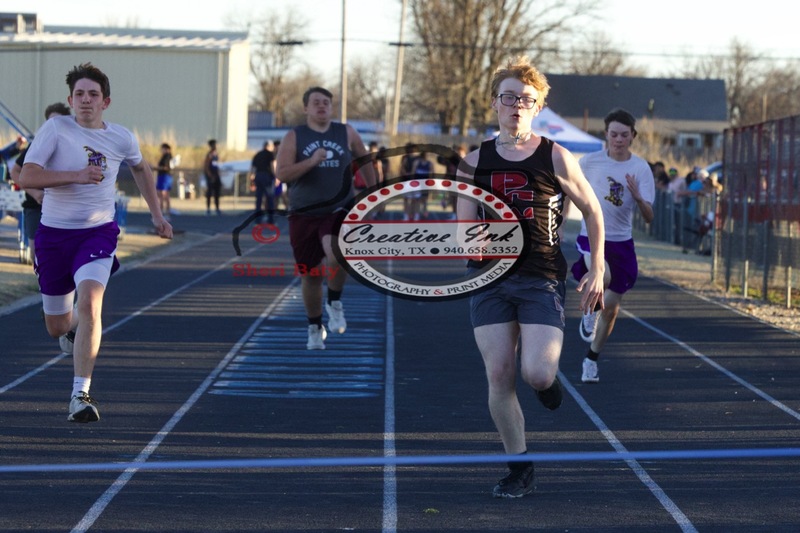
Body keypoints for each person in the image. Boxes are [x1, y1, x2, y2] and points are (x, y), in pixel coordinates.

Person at [456, 56, 606, 498]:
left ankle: (547, 383)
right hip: (489, 279)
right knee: (499, 373)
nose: (516, 106)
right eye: (509, 98)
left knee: (537, 374)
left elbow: (594, 211)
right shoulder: (472, 162)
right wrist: (473, 243)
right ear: (495, 104)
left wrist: (596, 266)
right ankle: (519, 467)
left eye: (526, 100)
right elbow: (463, 227)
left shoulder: (555, 155)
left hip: (540, 276)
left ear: (537, 108)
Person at [18, 62, 173, 423]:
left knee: (90, 303)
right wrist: (76, 175)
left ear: (106, 101)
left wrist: (157, 215)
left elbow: (141, 168)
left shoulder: (120, 137)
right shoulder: (56, 129)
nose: (85, 100)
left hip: (97, 232)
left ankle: (80, 394)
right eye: (79, 95)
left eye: (93, 95)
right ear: (70, 100)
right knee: (57, 325)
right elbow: (28, 175)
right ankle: (70, 330)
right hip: (54, 235)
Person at [275, 86, 375, 350]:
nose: (322, 107)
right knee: (310, 275)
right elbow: (282, 174)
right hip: (304, 212)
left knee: (337, 252)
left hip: (339, 207)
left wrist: (375, 192)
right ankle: (314, 326)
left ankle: (335, 301)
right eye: (316, 103)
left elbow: (366, 160)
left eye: (327, 103)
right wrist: (310, 162)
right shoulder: (294, 136)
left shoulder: (346, 132)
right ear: (306, 108)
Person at [570, 108, 655, 384]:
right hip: (592, 238)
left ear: (633, 137)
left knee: (613, 309)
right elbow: (570, 193)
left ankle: (591, 359)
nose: (618, 139)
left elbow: (649, 217)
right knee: (601, 276)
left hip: (622, 243)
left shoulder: (640, 168)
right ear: (605, 134)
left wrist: (638, 197)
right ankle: (589, 314)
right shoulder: (588, 163)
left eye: (624, 135)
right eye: (614, 134)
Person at [10, 103, 73, 263]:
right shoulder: (37, 145)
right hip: (36, 206)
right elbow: (15, 172)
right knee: (36, 253)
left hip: (63, 207)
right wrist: (35, 193)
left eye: (58, 122)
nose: (53, 126)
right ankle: (45, 284)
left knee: (61, 252)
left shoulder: (73, 147)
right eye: (49, 122)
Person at [249, 140, 277, 223]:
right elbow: (273, 166)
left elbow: (253, 168)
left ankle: (258, 219)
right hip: (267, 177)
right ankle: (270, 219)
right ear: (269, 146)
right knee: (270, 198)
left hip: (258, 176)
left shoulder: (257, 154)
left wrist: (252, 180)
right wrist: (275, 176)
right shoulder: (270, 154)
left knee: (259, 199)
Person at [155, 142, 174, 218]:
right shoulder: (164, 157)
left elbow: (166, 167)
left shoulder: (168, 157)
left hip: (165, 176)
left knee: (164, 194)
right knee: (160, 194)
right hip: (161, 176)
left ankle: (165, 212)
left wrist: (156, 168)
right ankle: (162, 211)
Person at [204, 139, 222, 215]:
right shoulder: (209, 155)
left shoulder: (216, 154)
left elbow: (217, 164)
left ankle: (217, 208)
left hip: (216, 174)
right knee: (210, 192)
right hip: (211, 175)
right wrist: (210, 175)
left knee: (217, 192)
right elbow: (206, 166)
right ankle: (208, 209)